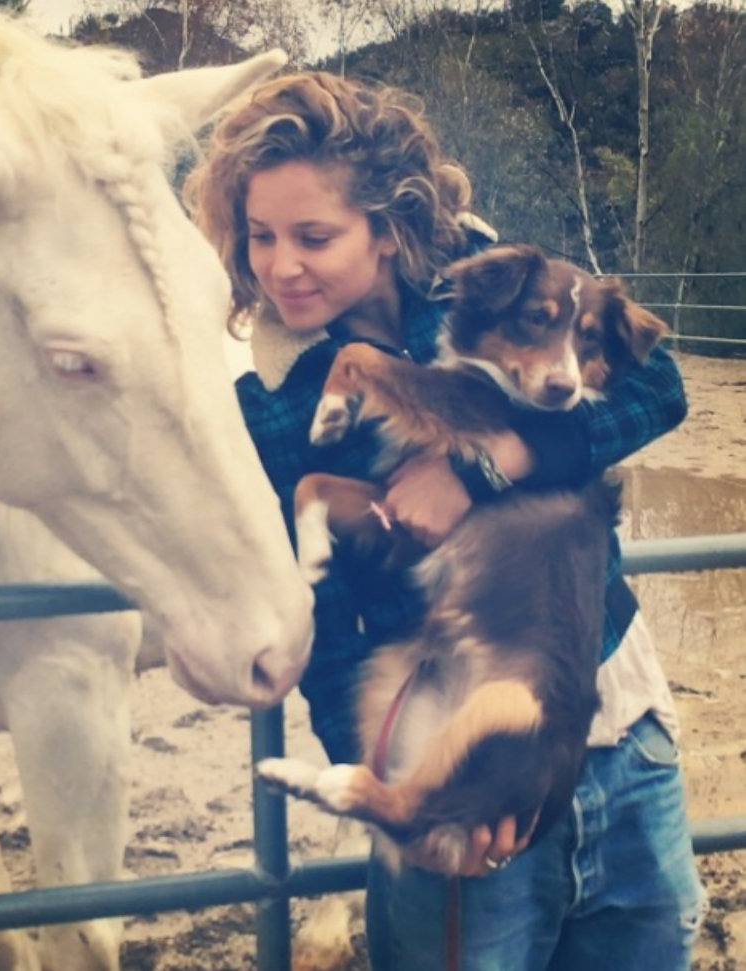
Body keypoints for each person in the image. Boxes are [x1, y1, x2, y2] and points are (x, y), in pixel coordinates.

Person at [184, 70, 704, 970]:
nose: (280, 266)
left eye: (314, 235)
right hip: (462, 768)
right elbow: (328, 612)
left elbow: (655, 384)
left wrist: (485, 465)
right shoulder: (271, 400)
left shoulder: (494, 287)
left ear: (387, 231)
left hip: (618, 734)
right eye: (258, 236)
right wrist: (400, 795)